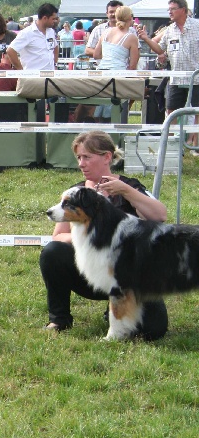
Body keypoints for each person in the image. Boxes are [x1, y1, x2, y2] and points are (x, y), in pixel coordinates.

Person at [39, 131, 168, 338]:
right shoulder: (75, 193)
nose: (81, 164)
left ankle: (115, 314)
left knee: (154, 330)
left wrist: (126, 191)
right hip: (90, 276)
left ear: (107, 157)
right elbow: (58, 237)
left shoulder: (130, 187)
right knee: (52, 252)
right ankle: (59, 319)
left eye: (87, 157)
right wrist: (93, 240)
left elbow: (160, 215)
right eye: (79, 158)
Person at [7, 3, 59, 71]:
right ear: (45, 18)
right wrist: (21, 71)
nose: (55, 21)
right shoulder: (27, 33)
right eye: (53, 19)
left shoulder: (51, 31)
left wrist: (55, 63)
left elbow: (55, 46)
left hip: (50, 77)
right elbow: (10, 51)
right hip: (32, 78)